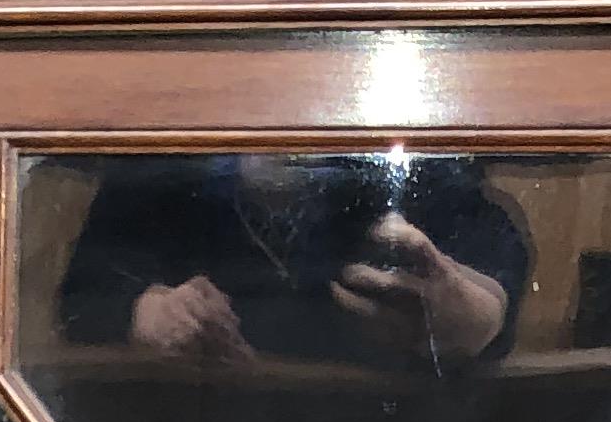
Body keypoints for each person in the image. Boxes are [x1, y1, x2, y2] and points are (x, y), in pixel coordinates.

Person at [59, 150, 528, 372]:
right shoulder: (162, 172)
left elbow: (489, 277)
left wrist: (476, 315)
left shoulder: (422, 176)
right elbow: (83, 297)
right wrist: (147, 312)